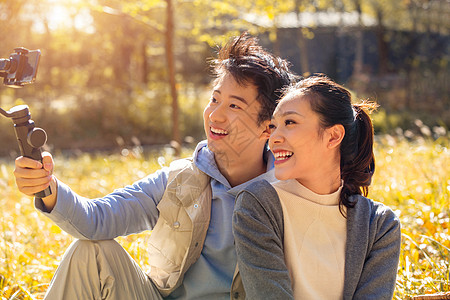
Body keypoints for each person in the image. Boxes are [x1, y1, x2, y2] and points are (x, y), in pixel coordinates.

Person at [13, 33, 298, 300]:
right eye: (214, 99)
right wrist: (46, 187)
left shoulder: (290, 193)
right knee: (91, 253)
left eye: (234, 106)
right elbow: (96, 219)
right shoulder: (178, 179)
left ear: (268, 128)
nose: (215, 115)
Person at [232, 75, 402, 299]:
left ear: (333, 136)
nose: (273, 138)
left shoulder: (380, 226)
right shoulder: (257, 205)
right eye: (273, 126)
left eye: (289, 122)